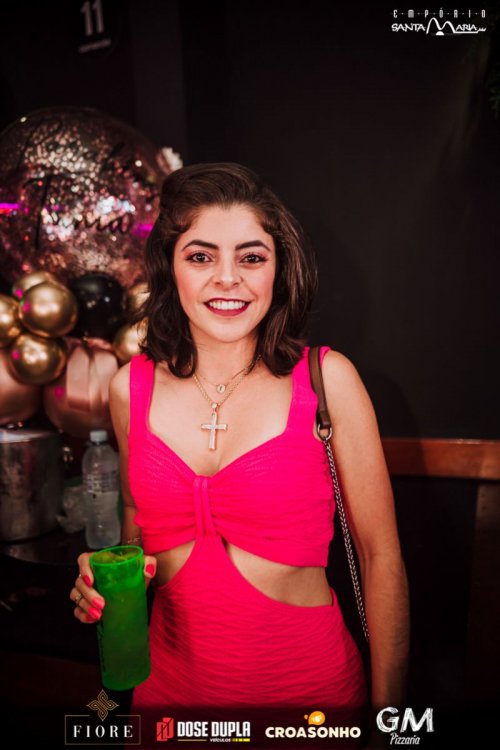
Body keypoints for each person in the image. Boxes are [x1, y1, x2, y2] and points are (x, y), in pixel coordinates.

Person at [70, 162, 409, 746]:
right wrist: (103, 579)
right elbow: (136, 528)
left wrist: (391, 727)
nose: (227, 278)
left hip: (308, 704)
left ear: (279, 269)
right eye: (201, 256)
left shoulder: (327, 380)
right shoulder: (130, 388)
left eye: (251, 257)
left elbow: (382, 560)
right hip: (167, 704)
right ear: (170, 267)